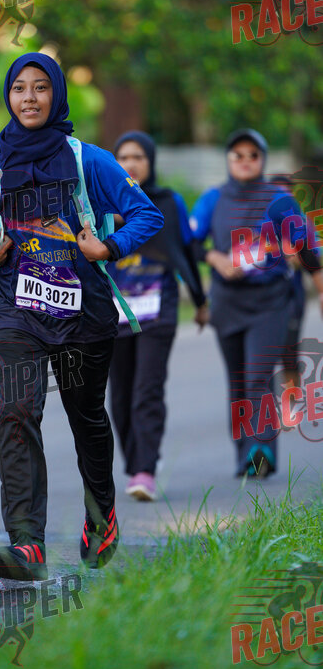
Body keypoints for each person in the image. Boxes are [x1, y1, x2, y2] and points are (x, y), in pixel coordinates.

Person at [0, 52, 163, 580]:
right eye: (19, 88)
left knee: (85, 417)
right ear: (9, 96)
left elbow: (147, 213)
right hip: (18, 313)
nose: (29, 97)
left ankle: (101, 518)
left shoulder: (90, 160)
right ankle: (26, 544)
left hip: (83, 316)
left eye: (40, 87)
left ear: (57, 95)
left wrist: (108, 247)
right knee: (16, 414)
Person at [190, 129, 314, 478]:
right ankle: (245, 453)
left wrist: (294, 257)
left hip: (270, 301)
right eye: (238, 155)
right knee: (238, 380)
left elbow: (304, 243)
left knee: (258, 375)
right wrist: (215, 258)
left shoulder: (279, 200)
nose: (245, 161)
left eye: (253, 155)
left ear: (262, 160)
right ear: (228, 160)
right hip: (227, 301)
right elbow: (191, 243)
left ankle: (262, 450)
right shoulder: (213, 199)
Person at [108, 131, 208, 501]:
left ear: (151, 161)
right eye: (123, 157)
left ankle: (145, 470)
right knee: (119, 397)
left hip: (158, 310)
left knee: (146, 390)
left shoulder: (167, 202)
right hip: (113, 313)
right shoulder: (102, 203)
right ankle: (137, 461)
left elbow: (185, 250)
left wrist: (200, 300)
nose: (130, 164)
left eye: (138, 157)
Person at [267, 174, 323, 391]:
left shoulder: (302, 223)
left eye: (286, 193)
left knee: (289, 350)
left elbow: (313, 261)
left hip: (292, 294)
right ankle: (263, 402)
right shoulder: (257, 223)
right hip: (262, 296)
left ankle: (291, 399)